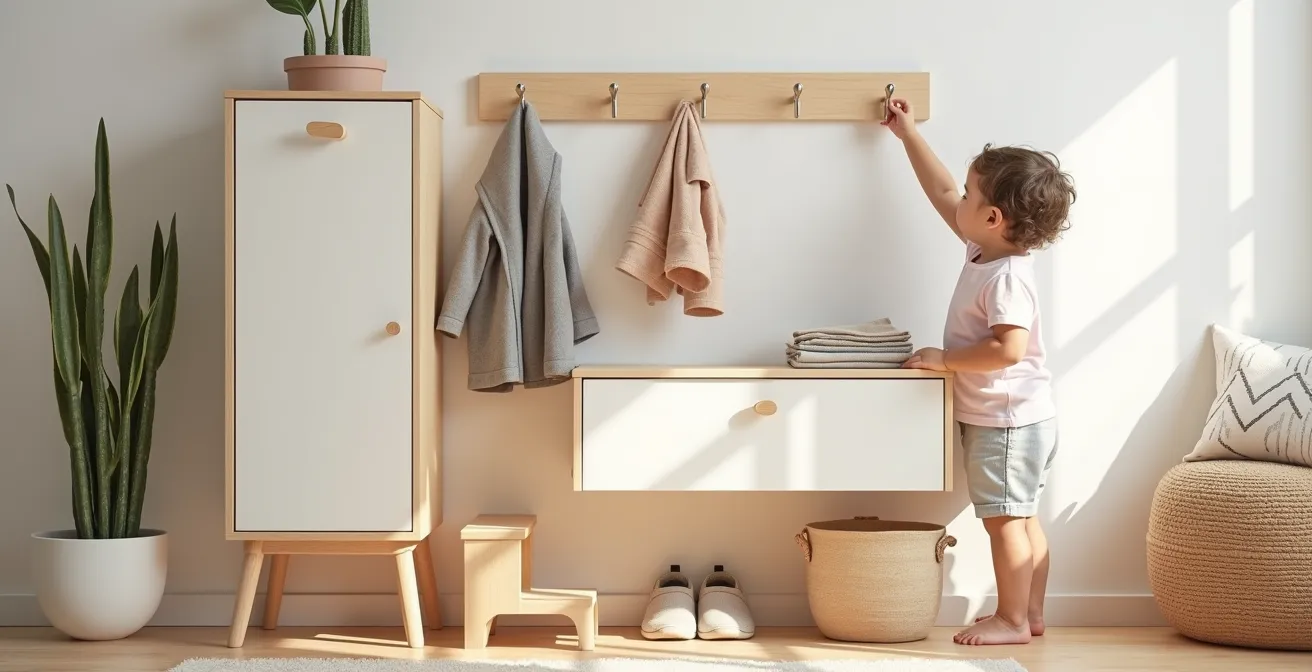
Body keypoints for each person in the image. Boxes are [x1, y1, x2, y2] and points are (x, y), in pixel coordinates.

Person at [882, 98, 1076, 645]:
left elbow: (1009, 350)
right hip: (1025, 418)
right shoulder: (983, 250)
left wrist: (945, 361)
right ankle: (1030, 613)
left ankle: (1012, 619)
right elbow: (943, 192)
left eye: (972, 195)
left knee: (1004, 523)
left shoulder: (1005, 277)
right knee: (1024, 520)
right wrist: (909, 136)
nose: (959, 199)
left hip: (1006, 422)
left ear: (993, 218)